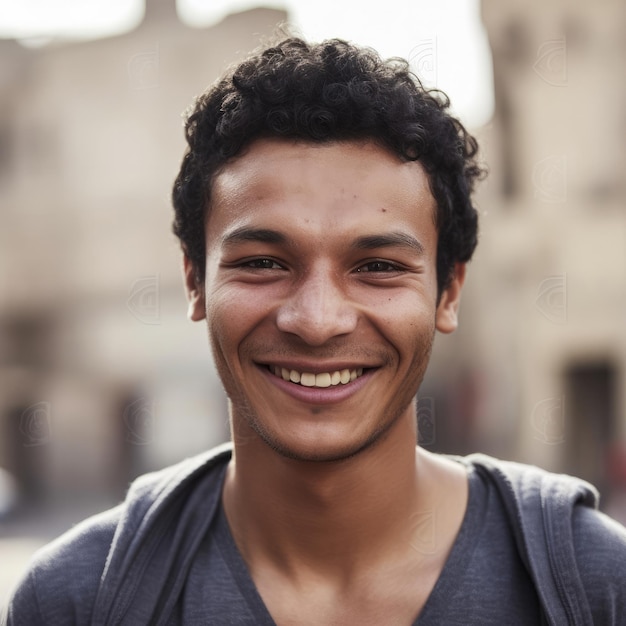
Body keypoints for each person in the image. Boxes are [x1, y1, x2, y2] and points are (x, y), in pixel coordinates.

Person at [4, 36, 626, 626]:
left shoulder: (593, 584)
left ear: (448, 291)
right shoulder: (78, 599)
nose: (317, 320)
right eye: (263, 263)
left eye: (378, 267)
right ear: (195, 281)